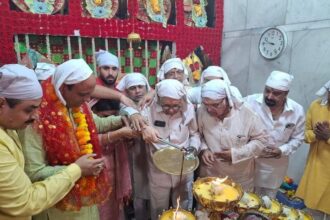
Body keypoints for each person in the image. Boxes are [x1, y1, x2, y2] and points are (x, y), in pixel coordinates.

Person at [18, 59, 127, 220]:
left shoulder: (77, 105)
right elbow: (34, 173)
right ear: (63, 88)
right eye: (83, 94)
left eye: (90, 93)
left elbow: (97, 123)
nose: (88, 99)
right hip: (57, 207)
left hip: (84, 200)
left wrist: (124, 120)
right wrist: (78, 169)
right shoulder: (35, 120)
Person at [0, 64, 103, 220]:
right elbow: (29, 192)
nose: (36, 116)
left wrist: (129, 114)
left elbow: (98, 124)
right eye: (29, 110)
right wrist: (77, 169)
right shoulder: (30, 125)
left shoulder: (10, 125)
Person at [141, 79, 200, 220]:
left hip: (183, 169)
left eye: (176, 105)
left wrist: (193, 148)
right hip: (158, 170)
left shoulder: (189, 108)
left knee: (183, 208)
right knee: (158, 209)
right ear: (158, 99)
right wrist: (143, 128)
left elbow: (194, 134)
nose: (171, 110)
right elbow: (127, 111)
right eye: (166, 106)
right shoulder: (148, 108)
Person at [198, 79, 268, 191]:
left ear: (228, 99)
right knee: (209, 206)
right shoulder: (202, 111)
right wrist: (204, 149)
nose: (210, 109)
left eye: (215, 105)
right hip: (211, 172)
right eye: (206, 105)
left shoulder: (247, 113)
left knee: (237, 206)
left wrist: (236, 154)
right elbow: (197, 134)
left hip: (239, 176)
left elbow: (261, 141)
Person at [245, 71, 305, 198]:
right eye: (267, 90)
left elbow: (298, 138)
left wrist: (281, 150)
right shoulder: (250, 102)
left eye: (276, 93)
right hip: (248, 163)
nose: (270, 96)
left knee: (267, 203)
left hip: (274, 168)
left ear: (286, 94)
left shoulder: (297, 111)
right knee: (244, 200)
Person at [116, 73, 151, 220]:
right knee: (137, 190)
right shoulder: (124, 106)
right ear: (127, 91)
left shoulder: (153, 102)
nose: (137, 91)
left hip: (153, 153)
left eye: (140, 87)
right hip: (134, 153)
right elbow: (125, 111)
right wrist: (132, 113)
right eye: (132, 88)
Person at [296, 80, 330, 217]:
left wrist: (328, 136)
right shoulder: (316, 106)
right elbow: (304, 134)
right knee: (312, 211)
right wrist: (316, 135)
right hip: (316, 169)